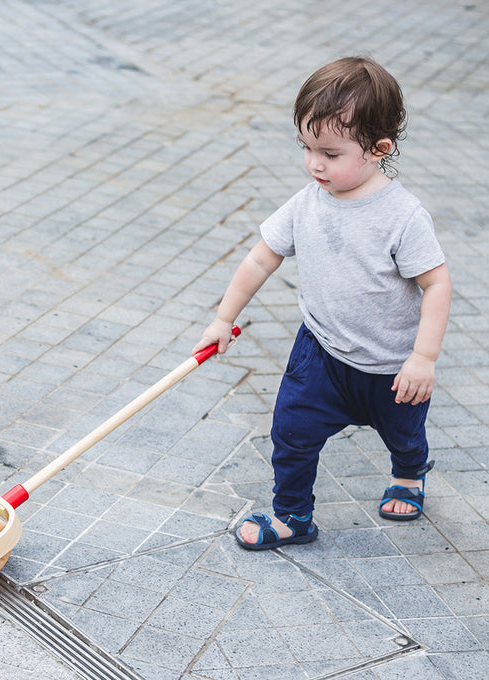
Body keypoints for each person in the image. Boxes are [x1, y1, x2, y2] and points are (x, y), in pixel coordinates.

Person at [193, 57, 452, 550]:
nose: (314, 164)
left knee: (404, 435)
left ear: (380, 149)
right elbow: (260, 258)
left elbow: (436, 284)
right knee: (290, 434)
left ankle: (410, 473)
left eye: (330, 153)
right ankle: (292, 516)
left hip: (390, 366)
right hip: (320, 352)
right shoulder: (306, 201)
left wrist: (424, 357)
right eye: (307, 148)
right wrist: (224, 319)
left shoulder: (402, 216)